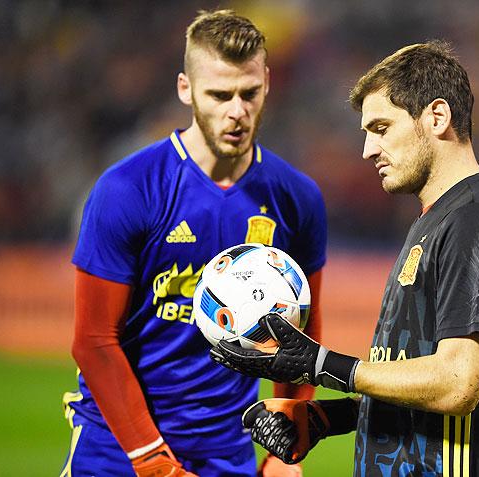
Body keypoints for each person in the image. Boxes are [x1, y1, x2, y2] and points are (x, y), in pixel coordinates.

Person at [211, 40, 479, 476]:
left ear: (437, 117)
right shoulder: (437, 220)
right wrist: (331, 418)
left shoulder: (477, 220)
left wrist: (320, 365)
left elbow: (458, 383)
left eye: (381, 128)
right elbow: (418, 379)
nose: (367, 149)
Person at [59, 9, 326, 477]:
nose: (237, 112)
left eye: (249, 93)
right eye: (219, 95)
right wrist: (153, 461)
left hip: (229, 454)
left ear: (267, 80)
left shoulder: (297, 198)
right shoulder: (128, 189)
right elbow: (94, 342)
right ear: (185, 89)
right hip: (117, 453)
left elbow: (301, 334)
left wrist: (288, 448)